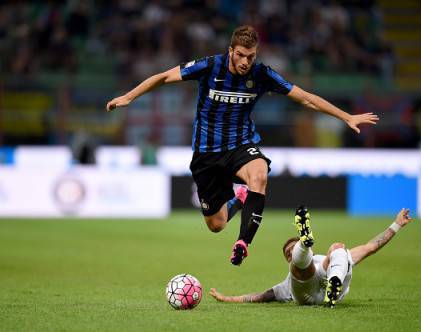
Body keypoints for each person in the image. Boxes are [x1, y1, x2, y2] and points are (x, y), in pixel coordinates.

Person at [106, 25, 379, 266]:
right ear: (230, 51)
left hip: (241, 145)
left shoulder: (262, 75)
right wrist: (129, 97)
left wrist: (346, 116)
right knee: (216, 224)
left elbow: (305, 98)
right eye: (240, 55)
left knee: (259, 173)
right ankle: (240, 199)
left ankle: (243, 243)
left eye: (251, 56)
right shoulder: (209, 66)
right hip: (206, 154)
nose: (245, 61)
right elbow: (164, 77)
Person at [210, 207, 413, 307]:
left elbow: (370, 247)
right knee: (302, 268)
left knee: (338, 249)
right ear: (287, 260)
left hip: (330, 279)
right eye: (288, 253)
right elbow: (258, 297)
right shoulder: (288, 283)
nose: (290, 253)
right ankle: (305, 242)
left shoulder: (323, 258)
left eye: (292, 249)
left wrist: (396, 224)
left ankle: (334, 281)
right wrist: (226, 298)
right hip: (305, 293)